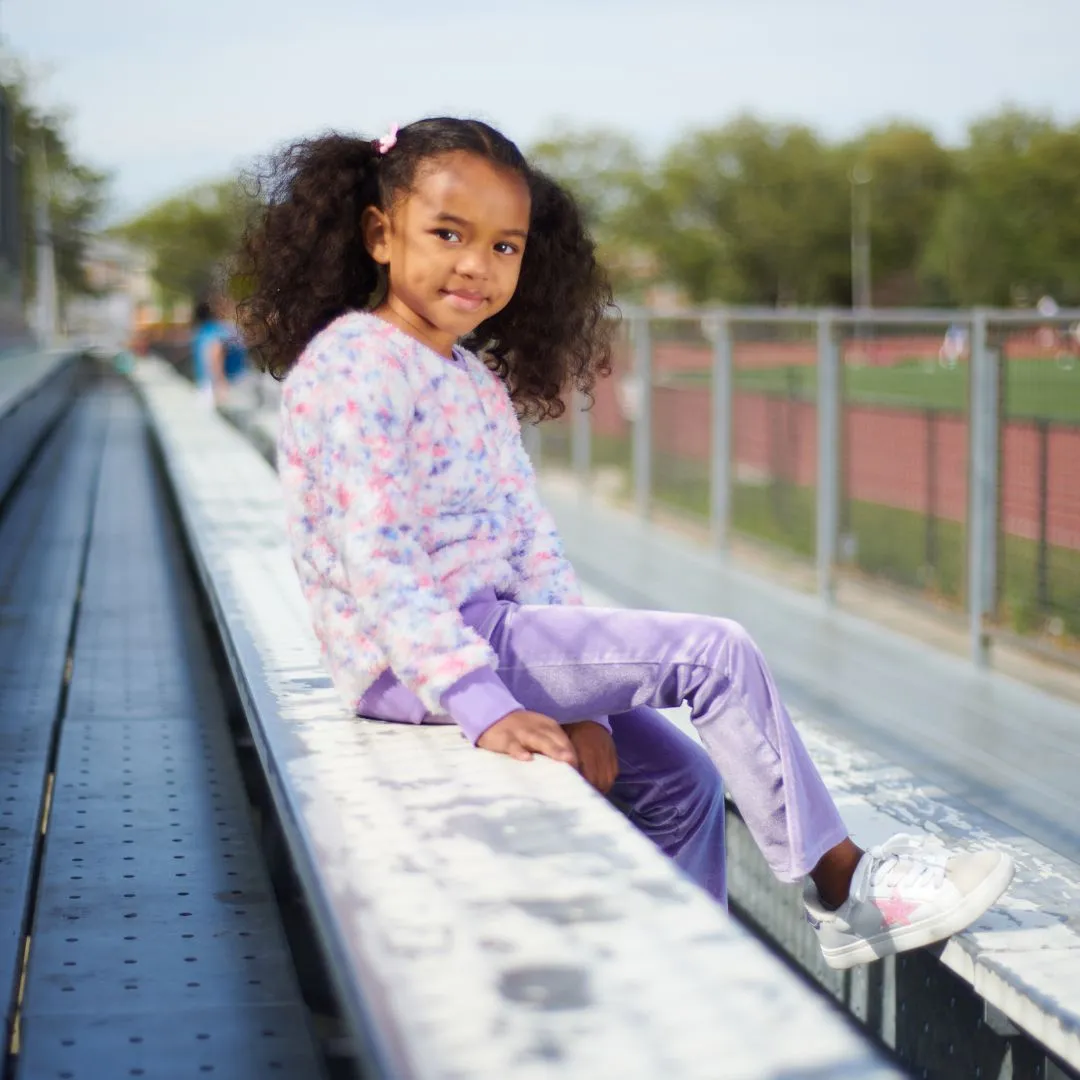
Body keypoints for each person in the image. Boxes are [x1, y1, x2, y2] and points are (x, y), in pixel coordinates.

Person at [237, 117, 1014, 970]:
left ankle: (681, 974)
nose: (476, 264)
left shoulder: (470, 378)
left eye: (505, 246)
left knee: (682, 782)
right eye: (448, 234)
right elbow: (375, 555)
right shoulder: (353, 364)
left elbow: (529, 543)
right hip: (430, 657)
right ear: (380, 235)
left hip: (495, 636)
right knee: (714, 653)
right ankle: (845, 886)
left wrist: (591, 705)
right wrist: (479, 700)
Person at [190, 299, 230, 407]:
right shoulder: (216, 330)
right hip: (213, 384)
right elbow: (215, 354)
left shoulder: (199, 332)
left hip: (202, 383)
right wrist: (220, 380)